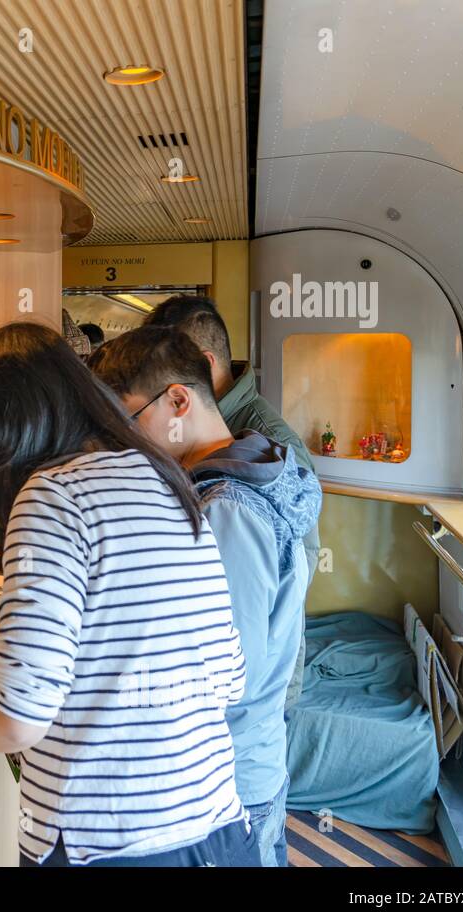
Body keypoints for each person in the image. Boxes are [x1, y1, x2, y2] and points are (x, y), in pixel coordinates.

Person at [0, 321, 257, 867]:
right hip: (218, 831)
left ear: (10, 426)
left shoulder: (53, 496)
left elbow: (18, 715)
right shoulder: (169, 478)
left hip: (109, 842)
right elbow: (231, 677)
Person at [91, 325, 322, 866]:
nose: (122, 441)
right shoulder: (255, 467)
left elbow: (226, 672)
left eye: (126, 420)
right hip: (244, 762)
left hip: (228, 776)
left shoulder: (228, 510)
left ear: (177, 399)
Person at [145, 294, 320, 706]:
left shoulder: (266, 441)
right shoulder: (194, 428)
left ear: (203, 366)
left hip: (248, 689)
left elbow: (293, 572)